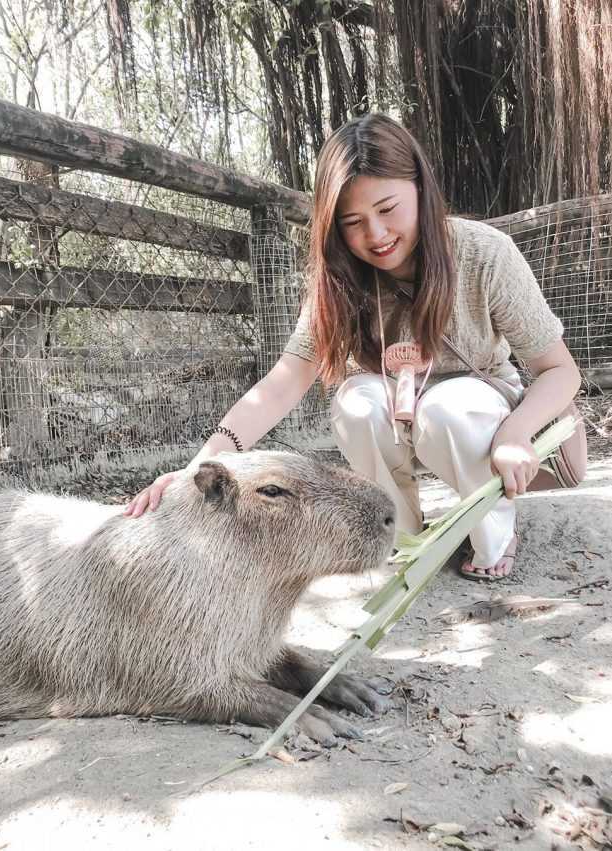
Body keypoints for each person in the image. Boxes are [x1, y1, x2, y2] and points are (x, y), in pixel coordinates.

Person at [124, 113, 581, 581]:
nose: (376, 236)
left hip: (478, 408)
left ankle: (495, 536)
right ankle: (402, 534)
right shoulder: (338, 277)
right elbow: (285, 382)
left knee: (451, 407)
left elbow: (560, 370)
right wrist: (200, 466)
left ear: (420, 188)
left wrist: (515, 433)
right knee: (355, 401)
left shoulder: (485, 252)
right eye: (353, 222)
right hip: (392, 407)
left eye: (387, 209)